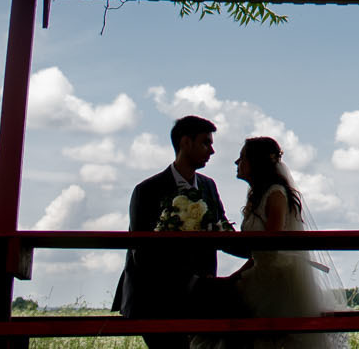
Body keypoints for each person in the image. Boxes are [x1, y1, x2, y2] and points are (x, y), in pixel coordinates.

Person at [115, 115, 235, 349]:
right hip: (155, 300)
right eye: (205, 143)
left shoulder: (209, 186)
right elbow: (142, 253)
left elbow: (222, 232)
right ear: (185, 143)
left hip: (199, 299)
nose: (212, 151)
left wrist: (260, 252)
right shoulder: (147, 190)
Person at [226, 136, 342, 349]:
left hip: (274, 279)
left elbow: (270, 247)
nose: (237, 163)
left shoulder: (276, 195)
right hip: (260, 271)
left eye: (242, 157)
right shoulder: (256, 196)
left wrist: (236, 276)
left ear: (256, 161)